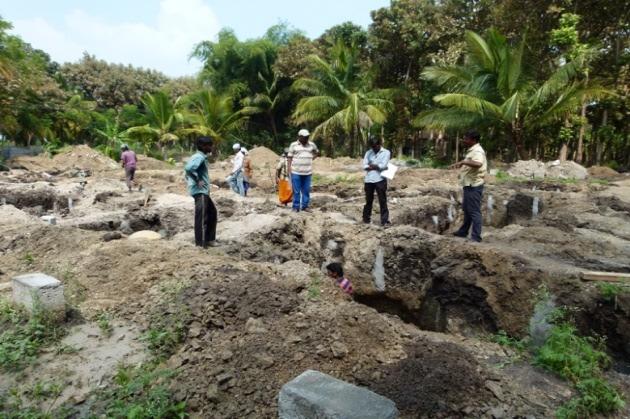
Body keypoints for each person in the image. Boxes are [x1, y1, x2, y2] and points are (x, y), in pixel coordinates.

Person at [451, 130, 487, 242]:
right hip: (469, 184)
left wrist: (463, 162)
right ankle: (463, 231)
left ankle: (476, 237)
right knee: (467, 209)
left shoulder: (477, 151)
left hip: (474, 185)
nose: (465, 140)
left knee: (474, 211)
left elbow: (478, 164)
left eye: (467, 138)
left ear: (473, 140)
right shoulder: (473, 150)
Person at [184, 136, 218, 248]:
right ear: (203, 146)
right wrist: (197, 180)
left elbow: (189, 171)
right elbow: (189, 169)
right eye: (209, 145)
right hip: (200, 192)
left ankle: (209, 239)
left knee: (212, 213)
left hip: (203, 191)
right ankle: (201, 243)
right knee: (202, 217)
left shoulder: (200, 156)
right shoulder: (199, 157)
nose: (211, 147)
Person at [362, 136, 391, 227]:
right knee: (368, 200)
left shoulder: (386, 152)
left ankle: (384, 221)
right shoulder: (368, 153)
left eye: (375, 146)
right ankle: (366, 219)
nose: (373, 149)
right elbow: (364, 166)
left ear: (379, 145)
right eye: (372, 147)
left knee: (382, 200)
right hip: (369, 179)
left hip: (380, 179)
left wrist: (372, 166)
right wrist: (377, 166)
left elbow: (383, 166)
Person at [287, 129, 318, 212]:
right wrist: (289, 168)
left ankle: (305, 206)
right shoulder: (293, 145)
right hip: (296, 171)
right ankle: (295, 207)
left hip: (308, 172)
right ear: (299, 137)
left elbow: (316, 152)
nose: (306, 138)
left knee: (306, 190)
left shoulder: (311, 145)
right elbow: (289, 157)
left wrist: (311, 158)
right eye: (304, 137)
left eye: (307, 137)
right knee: (296, 191)